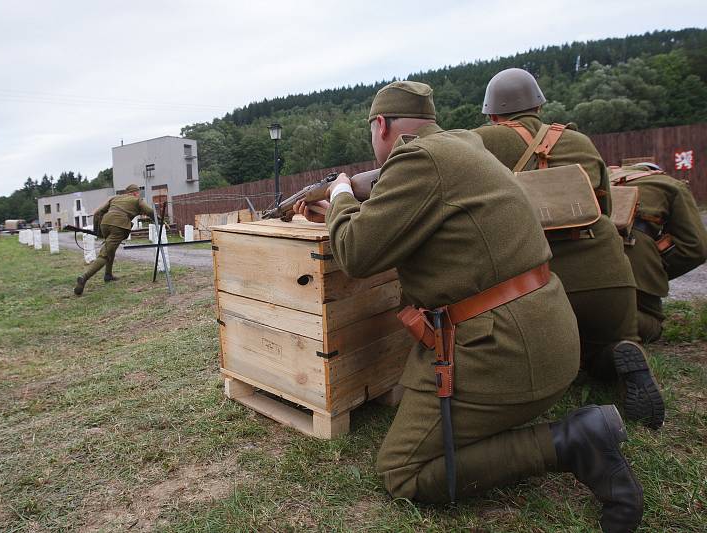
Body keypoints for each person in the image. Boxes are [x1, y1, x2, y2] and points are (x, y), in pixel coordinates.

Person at [295, 81, 643, 532]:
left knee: (402, 472)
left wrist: (340, 194)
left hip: (504, 349)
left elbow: (357, 254)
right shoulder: (464, 145)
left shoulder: (417, 160)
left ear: (380, 125)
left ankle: (573, 443)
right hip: (549, 335)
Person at [473, 68, 664, 429]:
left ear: (492, 114)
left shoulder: (481, 141)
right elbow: (604, 208)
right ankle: (624, 352)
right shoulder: (580, 142)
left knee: (548, 351)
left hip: (539, 281)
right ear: (539, 106)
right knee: (609, 345)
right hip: (607, 268)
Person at [611, 162, 707, 342]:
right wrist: (657, 270)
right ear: (656, 172)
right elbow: (695, 248)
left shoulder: (599, 177)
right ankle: (609, 326)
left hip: (578, 256)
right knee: (651, 325)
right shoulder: (669, 184)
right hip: (633, 252)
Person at [74, 184, 156, 296]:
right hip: (119, 225)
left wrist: (97, 230)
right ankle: (84, 278)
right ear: (136, 193)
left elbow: (98, 213)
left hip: (105, 223)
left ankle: (108, 275)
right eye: (138, 193)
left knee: (111, 249)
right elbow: (151, 212)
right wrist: (159, 220)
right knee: (105, 254)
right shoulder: (137, 200)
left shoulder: (114, 198)